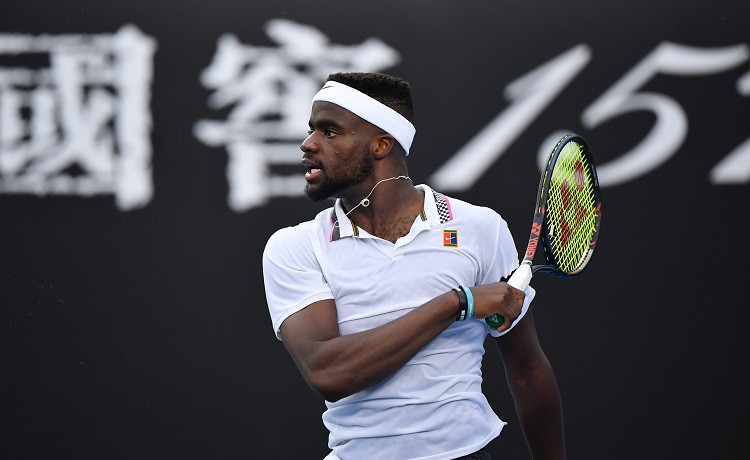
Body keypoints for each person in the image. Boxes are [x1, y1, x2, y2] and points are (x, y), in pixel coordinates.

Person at [262, 72, 565, 460]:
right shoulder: (295, 247)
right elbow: (328, 373)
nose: (308, 144)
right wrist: (459, 302)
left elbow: (526, 368)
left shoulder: (480, 229)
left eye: (330, 131)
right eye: (311, 130)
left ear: (381, 145)